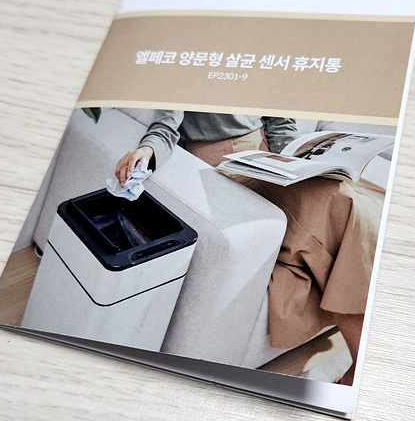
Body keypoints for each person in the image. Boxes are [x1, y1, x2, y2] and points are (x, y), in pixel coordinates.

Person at [115, 111, 385, 384]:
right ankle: (361, 366)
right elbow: (166, 124)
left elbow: (280, 125)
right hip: (223, 164)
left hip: (271, 158)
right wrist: (147, 150)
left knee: (355, 199)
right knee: (341, 204)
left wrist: (300, 160)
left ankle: (364, 363)